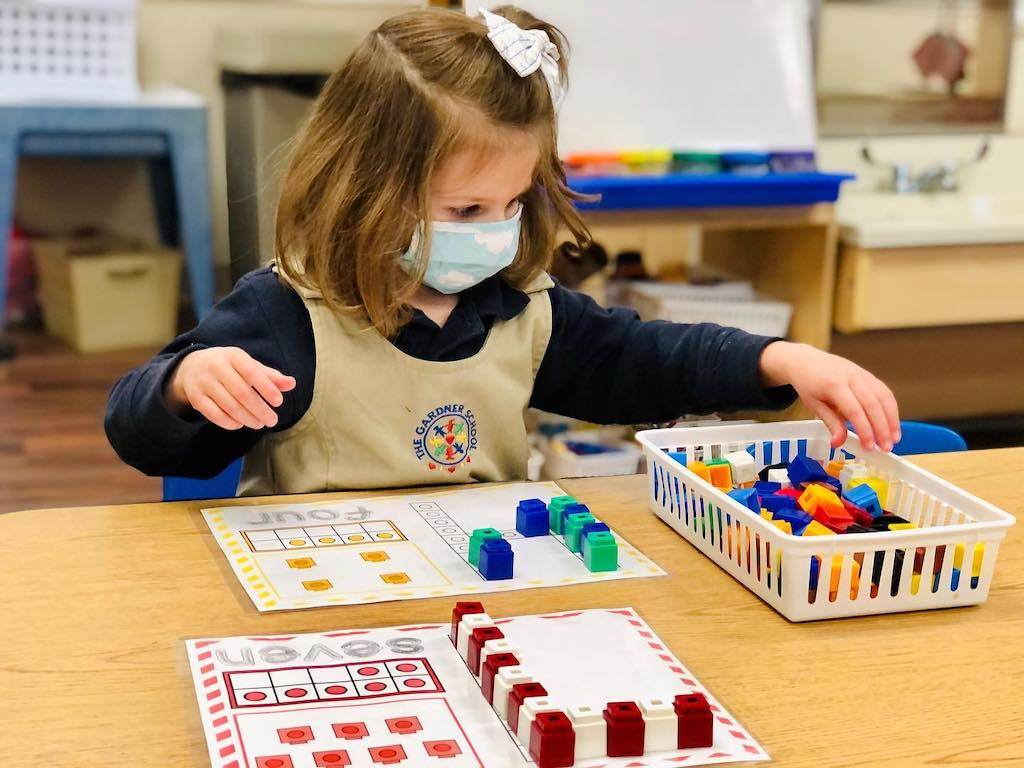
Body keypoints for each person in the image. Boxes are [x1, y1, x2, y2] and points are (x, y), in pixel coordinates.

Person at [105, 6, 899, 496]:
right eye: (467, 208)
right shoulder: (285, 315)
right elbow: (142, 437)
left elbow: (647, 359)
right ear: (367, 186)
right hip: (330, 607)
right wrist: (184, 384)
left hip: (481, 603)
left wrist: (780, 361)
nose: (496, 228)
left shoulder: (520, 310)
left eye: (515, 203)